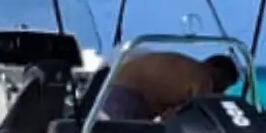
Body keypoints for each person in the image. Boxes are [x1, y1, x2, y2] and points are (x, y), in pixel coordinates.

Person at [99, 50, 240, 122]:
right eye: (224, 85)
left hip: (112, 89)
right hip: (128, 97)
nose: (221, 91)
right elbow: (198, 116)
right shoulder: (203, 78)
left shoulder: (185, 67)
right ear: (215, 70)